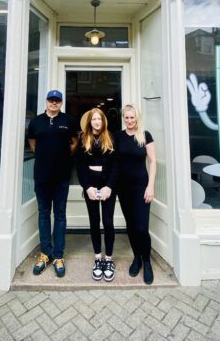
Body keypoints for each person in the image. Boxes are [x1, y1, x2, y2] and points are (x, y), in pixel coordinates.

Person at [28, 89, 78, 278]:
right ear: (46, 101)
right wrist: (44, 156)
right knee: (43, 213)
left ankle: (58, 255)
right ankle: (45, 253)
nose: (54, 103)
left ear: (61, 103)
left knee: (60, 215)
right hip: (41, 176)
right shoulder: (36, 122)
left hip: (62, 177)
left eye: (57, 101)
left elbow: (74, 142)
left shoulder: (68, 121)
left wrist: (63, 156)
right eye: (51, 100)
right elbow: (33, 144)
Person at [115, 104, 156, 285]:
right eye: (126, 118)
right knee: (131, 226)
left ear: (137, 118)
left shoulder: (145, 136)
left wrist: (150, 186)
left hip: (141, 187)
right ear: (123, 118)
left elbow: (153, 162)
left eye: (132, 118)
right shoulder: (118, 137)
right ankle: (137, 257)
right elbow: (113, 162)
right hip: (123, 188)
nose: (129, 121)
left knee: (141, 227)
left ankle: (147, 262)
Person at [76, 108, 118, 282]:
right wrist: (87, 187)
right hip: (91, 188)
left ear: (103, 121)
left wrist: (109, 186)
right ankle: (98, 258)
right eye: (94, 119)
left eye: (99, 119)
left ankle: (108, 260)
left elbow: (116, 165)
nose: (97, 122)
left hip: (108, 187)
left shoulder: (111, 137)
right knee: (94, 221)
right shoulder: (83, 138)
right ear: (89, 122)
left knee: (108, 222)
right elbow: (79, 166)